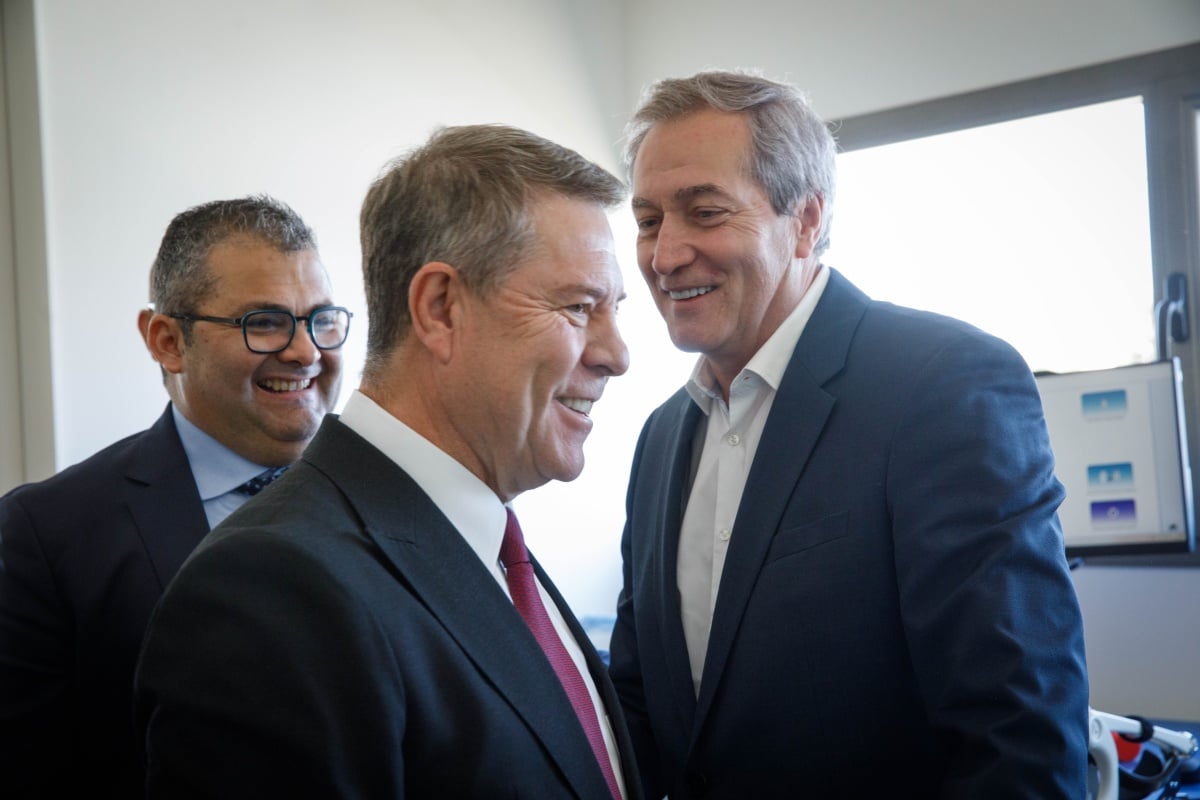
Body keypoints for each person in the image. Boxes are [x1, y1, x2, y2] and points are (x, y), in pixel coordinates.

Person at [607, 71, 1090, 798]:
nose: (665, 255)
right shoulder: (660, 438)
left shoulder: (941, 382)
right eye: (648, 221)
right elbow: (640, 700)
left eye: (704, 213)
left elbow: (1019, 730)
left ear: (805, 220)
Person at [134, 124, 641, 799]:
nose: (617, 354)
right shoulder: (273, 590)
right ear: (440, 308)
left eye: (613, 310)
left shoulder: (490, 549)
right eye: (578, 307)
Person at [0, 195, 347, 798]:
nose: (306, 351)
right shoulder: (45, 534)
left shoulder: (396, 493)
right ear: (167, 341)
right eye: (264, 322)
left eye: (321, 320)